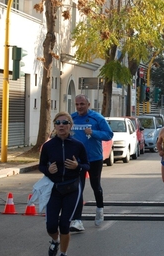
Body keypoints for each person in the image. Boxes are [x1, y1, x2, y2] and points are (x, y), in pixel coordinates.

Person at [39, 112, 90, 256]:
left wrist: (77, 166)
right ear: (54, 126)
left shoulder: (78, 145)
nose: (62, 125)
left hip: (72, 188)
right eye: (58, 123)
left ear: (70, 126)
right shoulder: (48, 146)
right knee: (51, 226)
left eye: (65, 123)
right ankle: (55, 241)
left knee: (65, 225)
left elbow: (87, 165)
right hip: (54, 189)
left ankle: (63, 253)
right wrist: (48, 170)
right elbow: (41, 166)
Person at [69, 94, 113, 231]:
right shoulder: (72, 118)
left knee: (95, 186)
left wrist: (93, 133)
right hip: (78, 160)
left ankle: (100, 208)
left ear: (88, 104)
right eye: (77, 104)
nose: (79, 107)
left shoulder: (97, 118)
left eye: (82, 104)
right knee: (77, 188)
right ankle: (77, 220)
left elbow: (109, 134)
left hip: (94, 158)